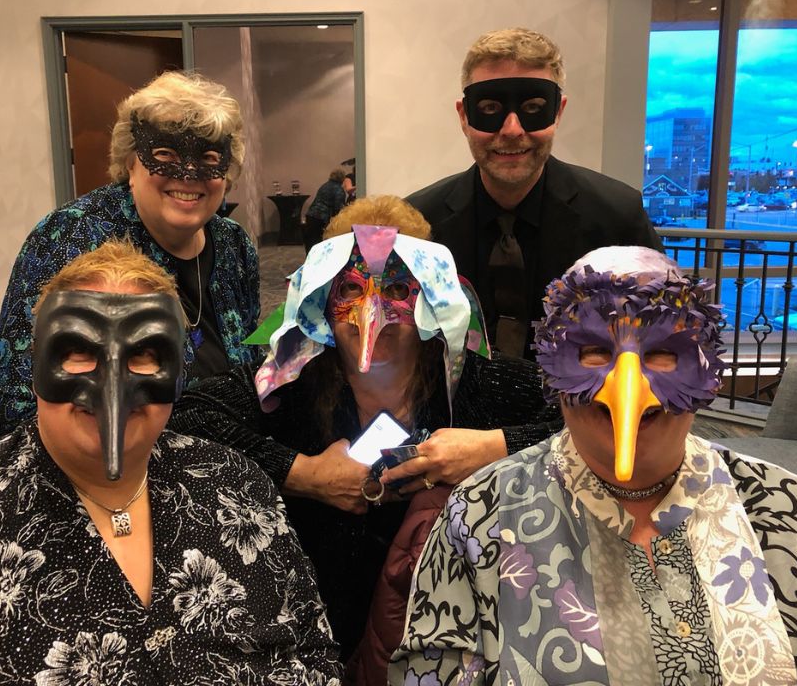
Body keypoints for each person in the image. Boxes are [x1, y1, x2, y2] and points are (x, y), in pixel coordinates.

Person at [0, 241, 342, 685]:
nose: (113, 384)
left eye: (144, 354)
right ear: (36, 364)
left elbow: (312, 647)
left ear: (178, 372)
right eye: (78, 350)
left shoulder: (236, 486)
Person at [392, 246, 797, 685]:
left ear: (705, 367)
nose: (628, 386)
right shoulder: (478, 516)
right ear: (551, 366)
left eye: (662, 354)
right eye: (593, 352)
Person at [167, 195, 560, 665]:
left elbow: (587, 416)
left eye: (397, 290)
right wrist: (304, 473)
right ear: (323, 296)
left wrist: (493, 448)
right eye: (351, 289)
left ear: (431, 296)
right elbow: (187, 417)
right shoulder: (295, 377)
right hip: (322, 618)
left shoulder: (473, 381)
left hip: (446, 623)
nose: (372, 313)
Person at [0, 70, 262, 457]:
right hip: (87, 458)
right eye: (164, 155)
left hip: (217, 449)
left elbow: (248, 370)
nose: (188, 174)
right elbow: (18, 405)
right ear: (130, 162)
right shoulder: (71, 237)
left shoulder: (234, 245)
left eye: (209, 158)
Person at [406, 27, 662, 360]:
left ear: (558, 111)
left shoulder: (617, 218)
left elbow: (663, 339)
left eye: (533, 107)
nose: (512, 129)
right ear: (464, 116)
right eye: (489, 108)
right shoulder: (419, 227)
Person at [305, 167, 351, 252]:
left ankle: (309, 258)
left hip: (311, 214)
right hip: (321, 218)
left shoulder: (324, 185)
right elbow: (338, 208)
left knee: (311, 241)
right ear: (342, 178)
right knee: (319, 243)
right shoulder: (339, 189)